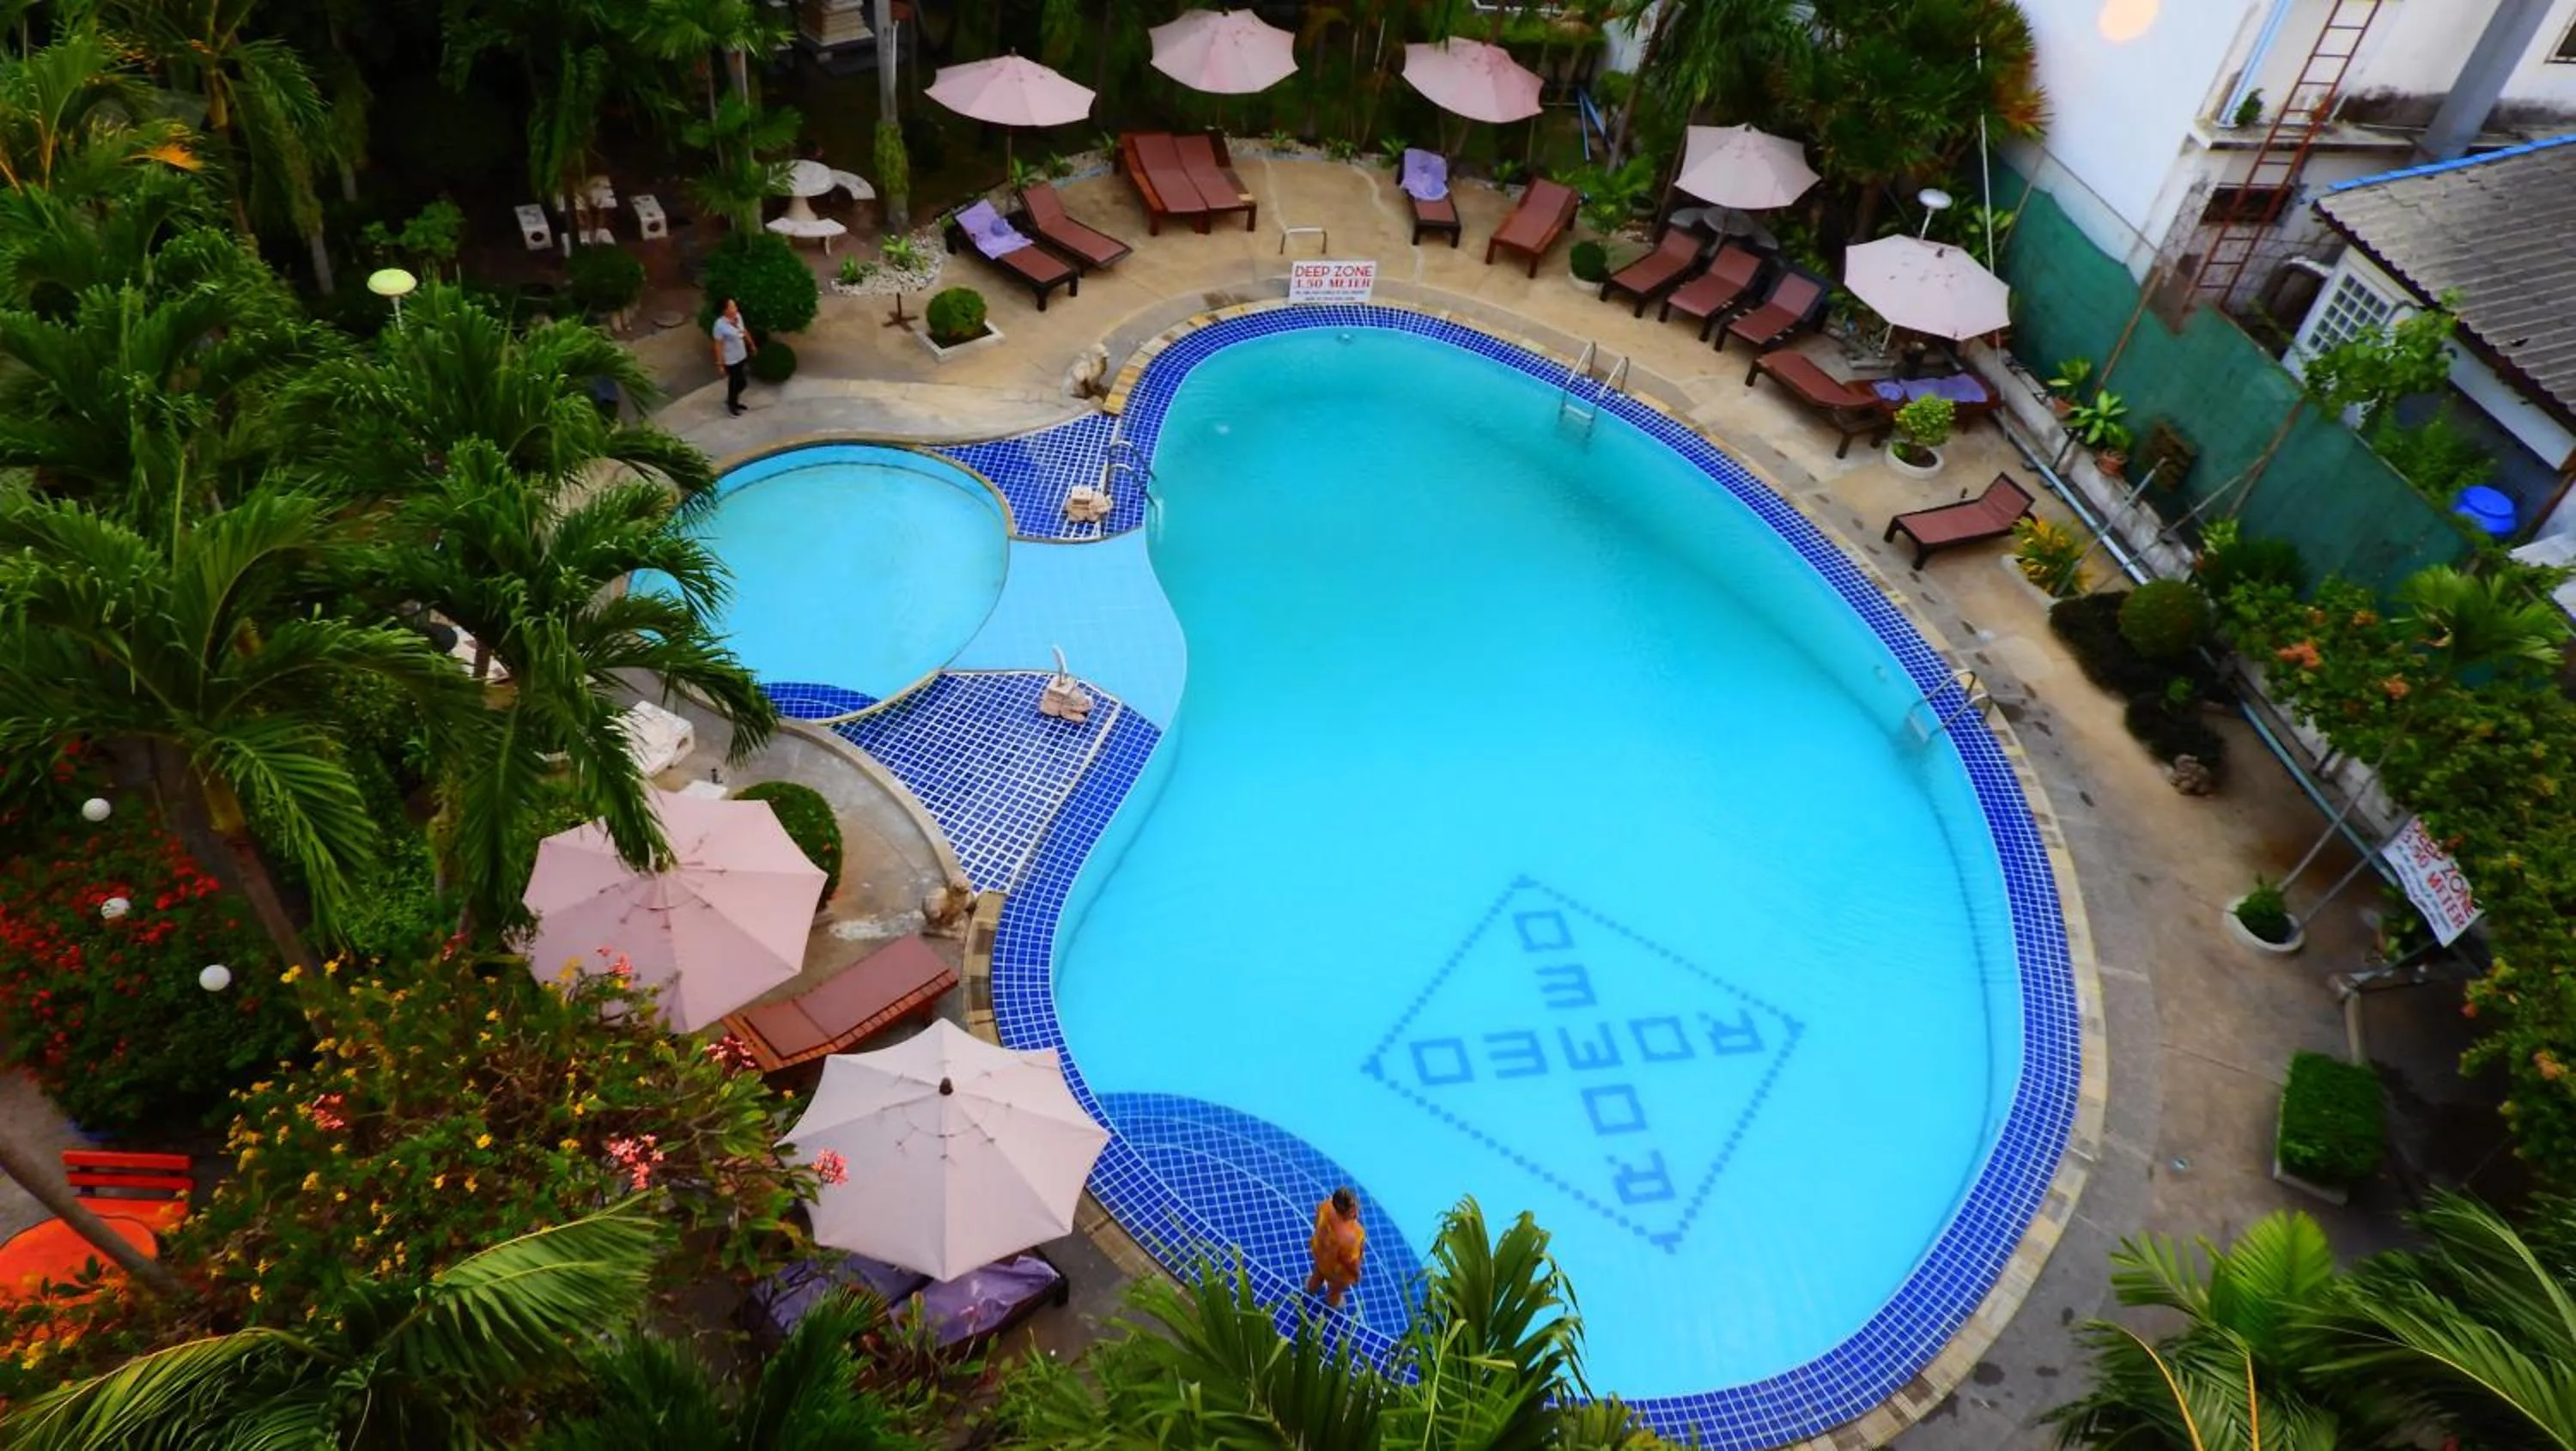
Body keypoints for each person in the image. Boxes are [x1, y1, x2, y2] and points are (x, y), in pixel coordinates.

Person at [1305, 1186, 1365, 1308]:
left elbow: (1317, 1222)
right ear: (1349, 1212)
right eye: (1354, 1209)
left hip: (1321, 1254)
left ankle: (1311, 1287)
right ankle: (1333, 1300)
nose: (1357, 1210)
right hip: (1336, 1271)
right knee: (1335, 1288)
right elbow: (1349, 1261)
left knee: (1317, 1273)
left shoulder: (1325, 1206)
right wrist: (1356, 1274)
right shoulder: (1353, 1236)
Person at [711, 298, 756, 416]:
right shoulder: (719, 325)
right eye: (732, 307)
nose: (735, 308)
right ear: (725, 311)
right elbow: (718, 345)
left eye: (735, 306)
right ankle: (732, 404)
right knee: (736, 382)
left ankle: (733, 400)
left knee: (741, 383)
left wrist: (751, 344)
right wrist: (720, 364)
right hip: (731, 359)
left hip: (741, 354)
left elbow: (744, 331)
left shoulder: (738, 317)